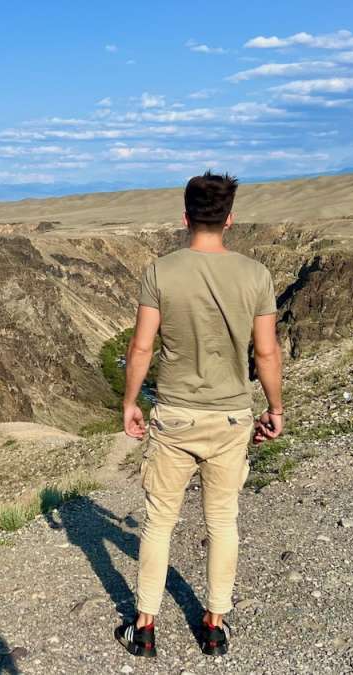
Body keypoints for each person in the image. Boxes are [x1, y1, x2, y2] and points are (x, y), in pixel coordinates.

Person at [114, 171, 283, 658]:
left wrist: (130, 403)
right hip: (231, 417)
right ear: (229, 218)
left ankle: (144, 626)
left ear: (185, 217)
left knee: (158, 522)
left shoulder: (161, 272)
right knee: (222, 523)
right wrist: (274, 408)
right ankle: (214, 625)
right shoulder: (256, 275)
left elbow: (142, 346)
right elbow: (266, 354)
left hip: (174, 417)